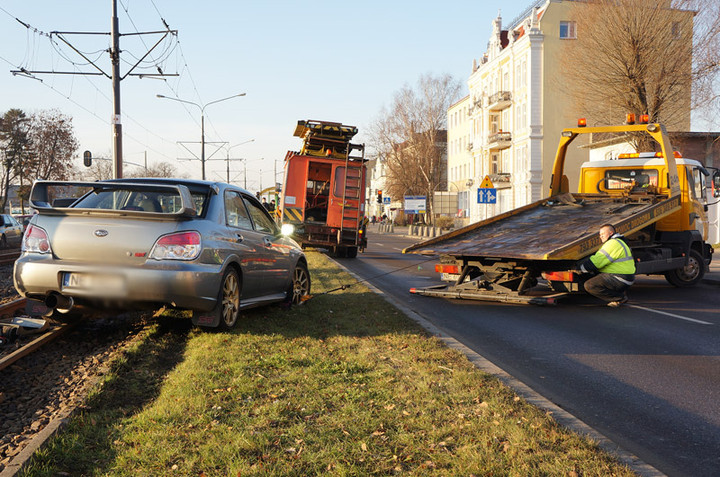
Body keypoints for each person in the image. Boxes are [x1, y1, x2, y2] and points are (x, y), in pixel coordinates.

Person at [577, 224, 636, 307]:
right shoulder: (618, 242)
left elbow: (597, 261)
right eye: (600, 235)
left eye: (603, 234)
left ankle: (619, 298)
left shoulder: (613, 243)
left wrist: (580, 269)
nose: (601, 237)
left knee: (590, 285)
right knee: (591, 275)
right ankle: (619, 293)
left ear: (611, 233)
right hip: (624, 276)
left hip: (620, 278)